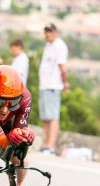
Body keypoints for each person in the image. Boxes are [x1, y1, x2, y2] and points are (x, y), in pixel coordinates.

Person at [38, 23, 69, 154]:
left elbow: (62, 67)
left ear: (55, 32)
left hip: (53, 85)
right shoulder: (48, 45)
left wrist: (65, 83)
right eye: (46, 32)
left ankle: (51, 146)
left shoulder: (60, 46)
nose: (47, 34)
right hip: (44, 85)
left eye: (49, 32)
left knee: (53, 116)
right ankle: (46, 144)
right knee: (45, 117)